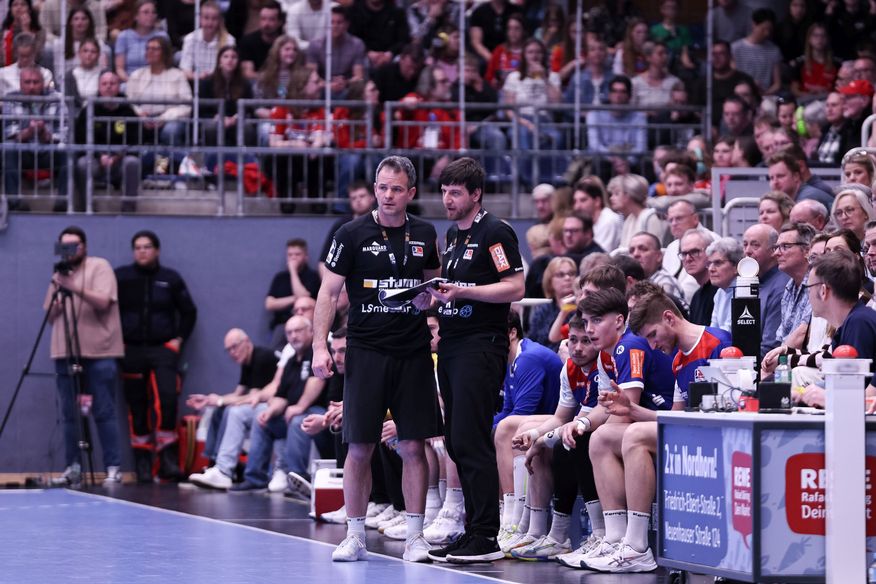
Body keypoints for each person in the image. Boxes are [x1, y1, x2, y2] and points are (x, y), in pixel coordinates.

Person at [312, 155, 442, 563]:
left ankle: (416, 536)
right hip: (366, 352)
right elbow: (328, 293)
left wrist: (430, 300)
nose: (388, 195)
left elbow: (433, 288)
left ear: (411, 193)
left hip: (413, 352)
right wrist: (319, 346)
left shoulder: (425, 232)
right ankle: (354, 535)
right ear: (374, 189)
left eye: (397, 189)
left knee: (413, 445)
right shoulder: (350, 233)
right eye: (382, 187)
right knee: (360, 447)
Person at [426, 157, 525, 563]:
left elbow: (514, 287)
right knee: (455, 440)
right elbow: (453, 288)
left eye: (455, 193)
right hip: (451, 343)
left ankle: (486, 536)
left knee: (471, 439)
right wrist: (431, 298)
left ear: (475, 194)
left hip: (481, 344)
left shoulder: (495, 232)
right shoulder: (452, 235)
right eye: (444, 192)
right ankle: (472, 529)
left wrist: (463, 291)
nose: (447, 200)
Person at [558, 288, 675, 573]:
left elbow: (625, 409)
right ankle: (613, 539)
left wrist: (591, 430)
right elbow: (609, 406)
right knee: (587, 435)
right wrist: (582, 423)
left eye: (597, 321)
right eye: (586, 322)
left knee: (599, 439)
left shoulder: (629, 346)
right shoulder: (604, 356)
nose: (589, 329)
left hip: (668, 420)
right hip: (648, 421)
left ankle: (634, 545)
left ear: (620, 321)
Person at [43, 226, 124, 487]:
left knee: (103, 410)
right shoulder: (58, 274)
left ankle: (113, 467)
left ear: (84, 246)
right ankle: (73, 467)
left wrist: (73, 287)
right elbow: (49, 315)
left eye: (74, 245)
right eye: (64, 246)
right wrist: (57, 300)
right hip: (65, 352)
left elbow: (103, 301)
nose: (69, 251)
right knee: (70, 413)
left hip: (100, 351)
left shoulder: (100, 266)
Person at [115, 230, 197, 483]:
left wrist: (178, 340)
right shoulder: (121, 277)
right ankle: (142, 462)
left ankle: (168, 461)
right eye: (138, 247)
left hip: (163, 350)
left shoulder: (170, 278)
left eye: (147, 247)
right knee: (137, 406)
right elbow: (107, 312)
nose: (142, 251)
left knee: (168, 401)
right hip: (131, 350)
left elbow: (189, 312)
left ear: (157, 250)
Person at [230, 315, 330, 495]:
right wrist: (270, 412)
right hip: (294, 411)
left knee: (299, 421)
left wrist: (299, 406)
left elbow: (318, 380)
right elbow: (281, 396)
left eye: (298, 331)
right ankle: (255, 478)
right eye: (289, 333)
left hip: (320, 411)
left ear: (311, 331)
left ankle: (296, 479)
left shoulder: (318, 354)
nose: (293, 336)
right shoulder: (291, 362)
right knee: (263, 421)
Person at [186, 329, 279, 489]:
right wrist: (209, 400)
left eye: (234, 347)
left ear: (247, 342)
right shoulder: (246, 362)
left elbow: (253, 397)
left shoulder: (262, 358)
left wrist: (220, 400)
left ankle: (223, 469)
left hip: (274, 404)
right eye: (228, 350)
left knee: (230, 410)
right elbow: (238, 394)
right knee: (219, 410)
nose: (232, 353)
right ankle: (214, 463)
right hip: (261, 402)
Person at [798, 249, 876, 408]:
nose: (808, 295)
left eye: (809, 288)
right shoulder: (852, 322)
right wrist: (800, 394)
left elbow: (861, 395)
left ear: (823, 291)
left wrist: (828, 398)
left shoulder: (859, 323)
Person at [73, 69, 141, 212]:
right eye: (104, 84)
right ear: (99, 87)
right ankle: (87, 208)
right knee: (82, 164)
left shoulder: (128, 110)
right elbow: (81, 139)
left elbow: (134, 140)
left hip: (120, 159)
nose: (108, 86)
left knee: (133, 162)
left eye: (112, 83)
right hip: (96, 160)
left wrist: (116, 156)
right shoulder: (89, 109)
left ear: (118, 86)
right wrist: (100, 155)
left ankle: (128, 209)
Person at [3, 65, 67, 211]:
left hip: (49, 150)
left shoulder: (57, 99)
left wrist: (44, 132)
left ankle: (63, 202)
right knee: (8, 149)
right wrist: (29, 131)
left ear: (43, 83)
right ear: (20, 84)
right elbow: (9, 134)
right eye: (27, 82)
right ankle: (14, 203)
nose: (31, 86)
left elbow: (63, 135)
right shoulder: (10, 98)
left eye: (35, 82)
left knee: (67, 152)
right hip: (23, 151)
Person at [742, 224, 788, 356]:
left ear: (773, 250)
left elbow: (770, 346)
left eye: (755, 245)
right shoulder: (751, 281)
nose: (747, 251)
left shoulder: (781, 286)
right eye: (745, 245)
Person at [265, 239, 321, 348]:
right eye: (290, 255)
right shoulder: (280, 277)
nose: (293, 258)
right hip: (282, 325)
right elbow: (269, 304)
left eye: (297, 254)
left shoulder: (313, 276)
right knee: (275, 351)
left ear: (306, 256)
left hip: (305, 324)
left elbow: (303, 298)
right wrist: (294, 298)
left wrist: (293, 271)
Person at [305, 5, 365, 98]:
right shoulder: (315, 45)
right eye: (331, 22)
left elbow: (359, 77)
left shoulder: (357, 45)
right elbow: (311, 75)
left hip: (347, 87)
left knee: (359, 86)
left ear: (347, 24)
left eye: (339, 22)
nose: (335, 26)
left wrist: (345, 82)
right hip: (322, 87)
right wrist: (327, 84)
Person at [775, 222, 817, 344]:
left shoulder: (817, 284)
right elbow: (782, 336)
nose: (777, 253)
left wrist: (780, 354)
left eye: (785, 246)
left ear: (807, 251)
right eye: (776, 247)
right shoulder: (789, 286)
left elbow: (801, 335)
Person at [113, 0, 169, 82]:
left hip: (156, 80)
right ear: (136, 16)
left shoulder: (162, 36)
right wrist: (132, 82)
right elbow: (119, 69)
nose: (151, 15)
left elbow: (166, 65)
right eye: (146, 12)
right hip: (129, 81)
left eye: (153, 12)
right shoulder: (124, 36)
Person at [179, 0, 234, 82]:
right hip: (196, 82)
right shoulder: (190, 39)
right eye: (206, 18)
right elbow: (185, 71)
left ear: (219, 20)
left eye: (214, 19)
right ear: (200, 19)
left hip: (220, 83)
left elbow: (231, 71)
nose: (210, 22)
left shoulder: (229, 41)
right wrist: (199, 76)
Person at [730, 8, 781, 95]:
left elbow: (777, 84)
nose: (767, 33)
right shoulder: (736, 48)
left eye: (769, 30)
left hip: (764, 94)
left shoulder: (774, 50)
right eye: (763, 29)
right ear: (754, 25)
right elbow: (732, 77)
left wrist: (766, 93)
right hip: (740, 93)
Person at [572, 177, 623, 254]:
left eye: (583, 200)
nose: (577, 207)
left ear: (597, 201)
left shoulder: (609, 220)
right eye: (575, 201)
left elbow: (600, 256)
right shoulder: (587, 221)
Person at [629, 232, 684, 299]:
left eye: (643, 249)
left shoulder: (665, 284)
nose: (635, 254)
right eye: (631, 251)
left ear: (659, 256)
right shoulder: (631, 281)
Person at [238, 0, 285, 79]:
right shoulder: (248, 42)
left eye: (271, 19)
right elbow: (248, 74)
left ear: (280, 22)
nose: (266, 24)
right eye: (263, 19)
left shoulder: (285, 43)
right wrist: (269, 78)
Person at [680, 230, 717, 326]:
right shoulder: (696, 297)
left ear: (710, 253)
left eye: (694, 252)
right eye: (684, 254)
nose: (688, 258)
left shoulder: (721, 291)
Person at [707, 237, 743, 332]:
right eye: (709, 263)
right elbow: (713, 329)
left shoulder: (743, 292)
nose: (711, 269)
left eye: (718, 263)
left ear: (736, 267)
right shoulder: (719, 292)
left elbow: (729, 332)